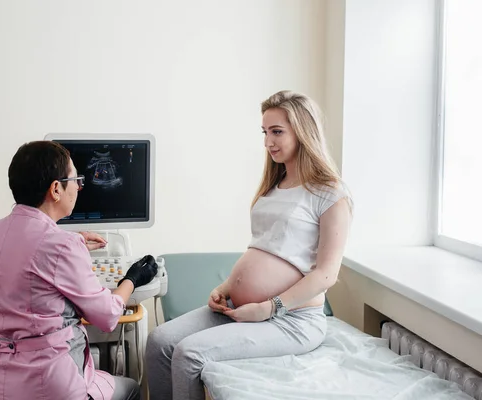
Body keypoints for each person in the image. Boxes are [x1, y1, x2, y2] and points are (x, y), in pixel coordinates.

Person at [145, 90, 353, 400]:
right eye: (265, 132)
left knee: (188, 354)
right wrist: (227, 287)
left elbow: (326, 274)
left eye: (277, 131)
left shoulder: (331, 194)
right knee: (159, 341)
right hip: (241, 306)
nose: (268, 141)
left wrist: (271, 308)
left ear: (303, 131)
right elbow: (262, 247)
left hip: (293, 319)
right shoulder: (274, 185)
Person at [0, 141, 158, 400]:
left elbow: (25, 258)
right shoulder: (62, 245)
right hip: (49, 386)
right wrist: (132, 278)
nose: (79, 188)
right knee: (131, 388)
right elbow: (106, 316)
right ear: (56, 189)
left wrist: (77, 240)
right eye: (76, 180)